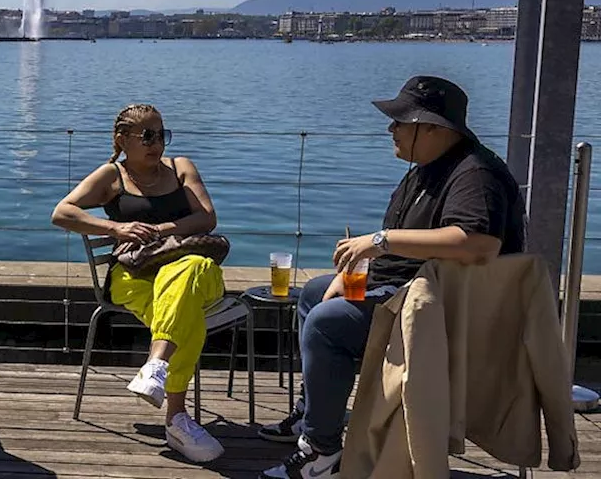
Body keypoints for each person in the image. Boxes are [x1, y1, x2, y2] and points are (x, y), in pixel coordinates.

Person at [260, 76, 526, 479]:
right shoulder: (427, 167)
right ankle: (314, 414)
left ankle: (320, 452)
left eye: (401, 122)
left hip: (446, 318)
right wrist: (352, 272)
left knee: (327, 326)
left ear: (433, 127)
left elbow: (478, 243)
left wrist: (379, 241)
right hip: (409, 293)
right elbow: (407, 252)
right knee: (315, 294)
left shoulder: (475, 175)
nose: (391, 129)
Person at [52, 103, 227, 463]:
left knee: (187, 270)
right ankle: (176, 418)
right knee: (184, 313)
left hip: (196, 273)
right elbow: (62, 212)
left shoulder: (181, 169)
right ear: (122, 139)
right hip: (133, 277)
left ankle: (157, 366)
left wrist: (161, 231)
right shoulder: (111, 176)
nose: (156, 142)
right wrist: (115, 227)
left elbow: (206, 218)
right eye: (147, 135)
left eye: (161, 134)